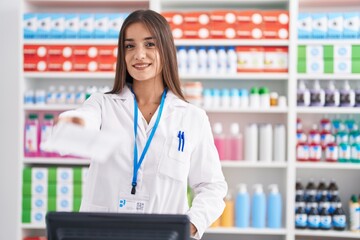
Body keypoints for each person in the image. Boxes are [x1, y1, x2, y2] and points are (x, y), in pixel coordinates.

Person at [56, 9, 227, 239]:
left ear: (165, 49)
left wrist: (190, 226)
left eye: (149, 45)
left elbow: (212, 186)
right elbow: (83, 120)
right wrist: (74, 124)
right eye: (129, 46)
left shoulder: (192, 117)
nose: (139, 55)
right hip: (102, 234)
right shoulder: (102, 105)